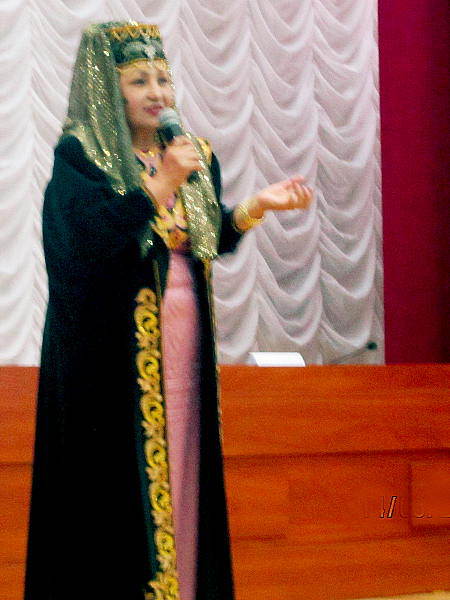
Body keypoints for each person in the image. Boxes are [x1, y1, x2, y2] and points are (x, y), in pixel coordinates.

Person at [24, 21, 312, 600]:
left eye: (163, 79)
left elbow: (207, 236)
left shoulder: (191, 153)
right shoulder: (85, 158)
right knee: (122, 481)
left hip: (183, 344)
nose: (157, 93)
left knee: (184, 457)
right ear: (109, 88)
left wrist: (255, 207)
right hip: (112, 361)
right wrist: (162, 184)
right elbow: (83, 248)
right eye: (139, 81)